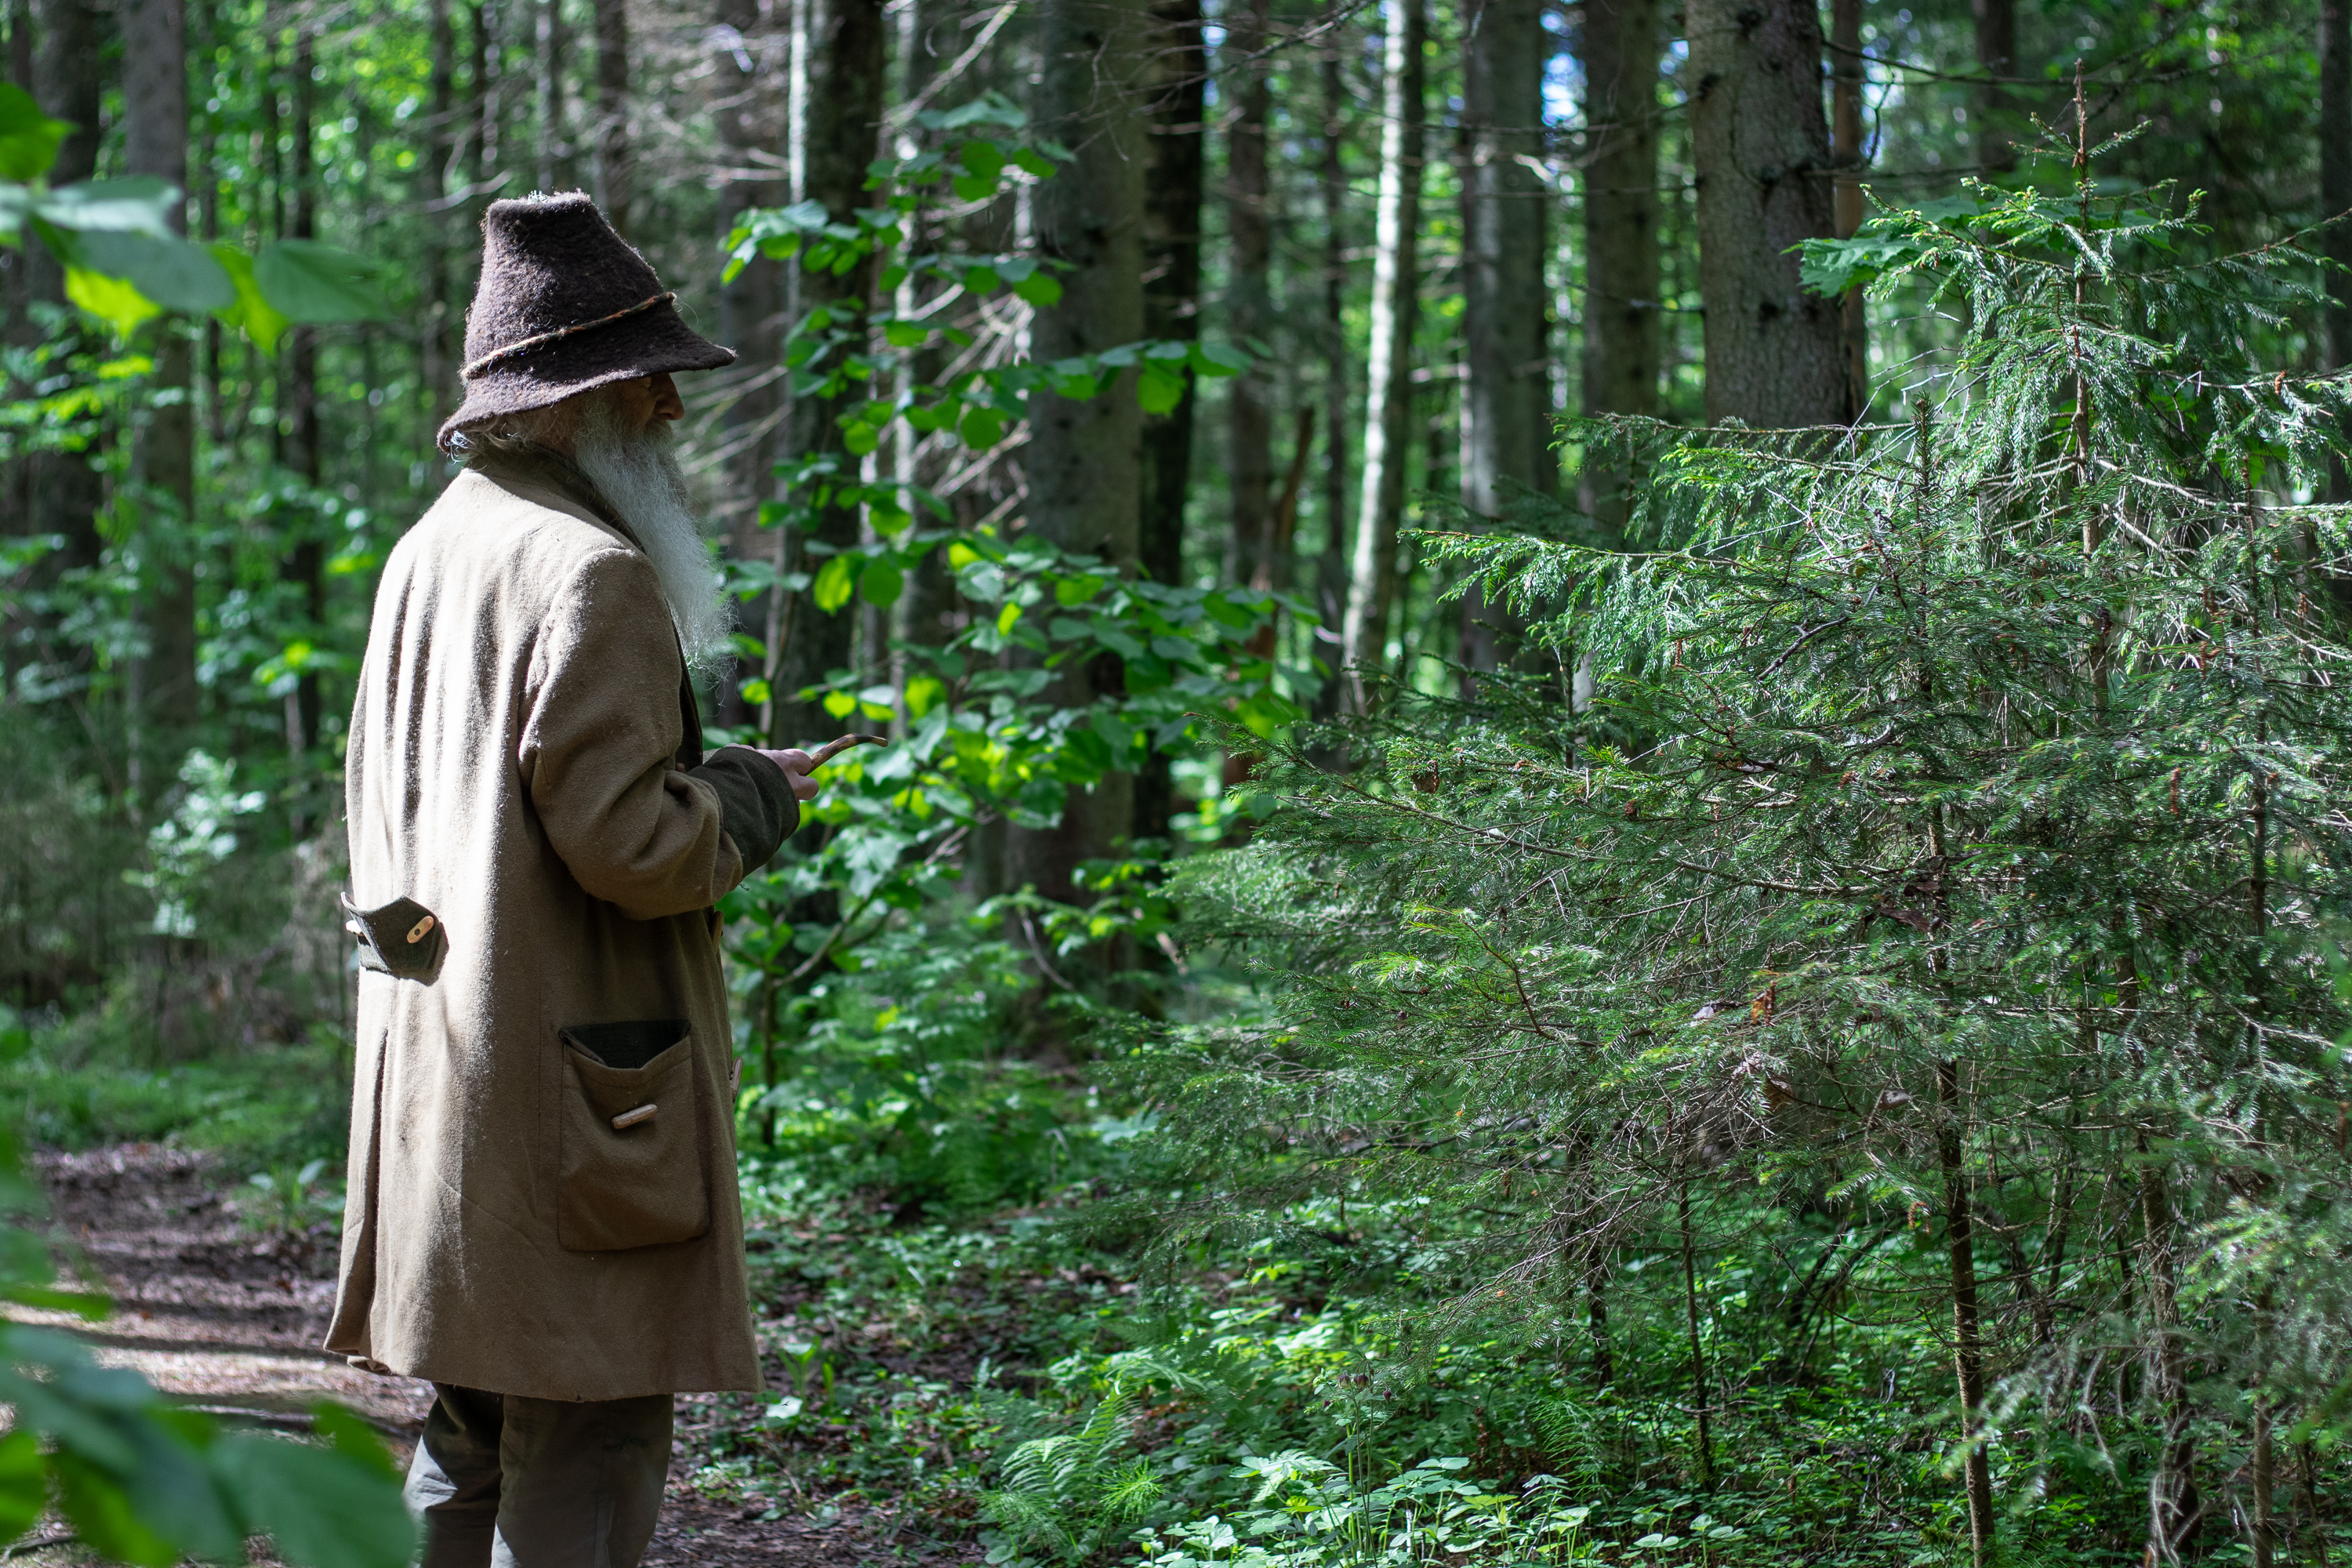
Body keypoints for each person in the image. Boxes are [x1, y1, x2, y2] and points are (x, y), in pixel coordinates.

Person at [328, 192, 808, 1566]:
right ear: (577, 401)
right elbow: (638, 854)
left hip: (449, 1086)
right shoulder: (590, 572)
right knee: (585, 1438)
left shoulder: (429, 549)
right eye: (649, 378)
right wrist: (762, 790)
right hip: (575, 1106)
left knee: (469, 1432)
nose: (671, 408)